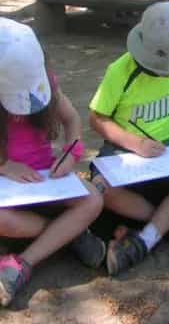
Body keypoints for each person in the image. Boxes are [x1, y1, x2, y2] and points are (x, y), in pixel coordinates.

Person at [89, 2, 169, 276]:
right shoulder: (120, 71)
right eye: (160, 68)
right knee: (100, 188)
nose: (168, 74)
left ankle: (146, 239)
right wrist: (134, 143)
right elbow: (97, 118)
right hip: (124, 151)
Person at [0, 18, 104, 306]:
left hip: (48, 180)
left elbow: (72, 120)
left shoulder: (43, 80)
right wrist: (4, 166)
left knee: (93, 199)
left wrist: (71, 153)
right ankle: (68, 234)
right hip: (7, 191)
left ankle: (21, 264)